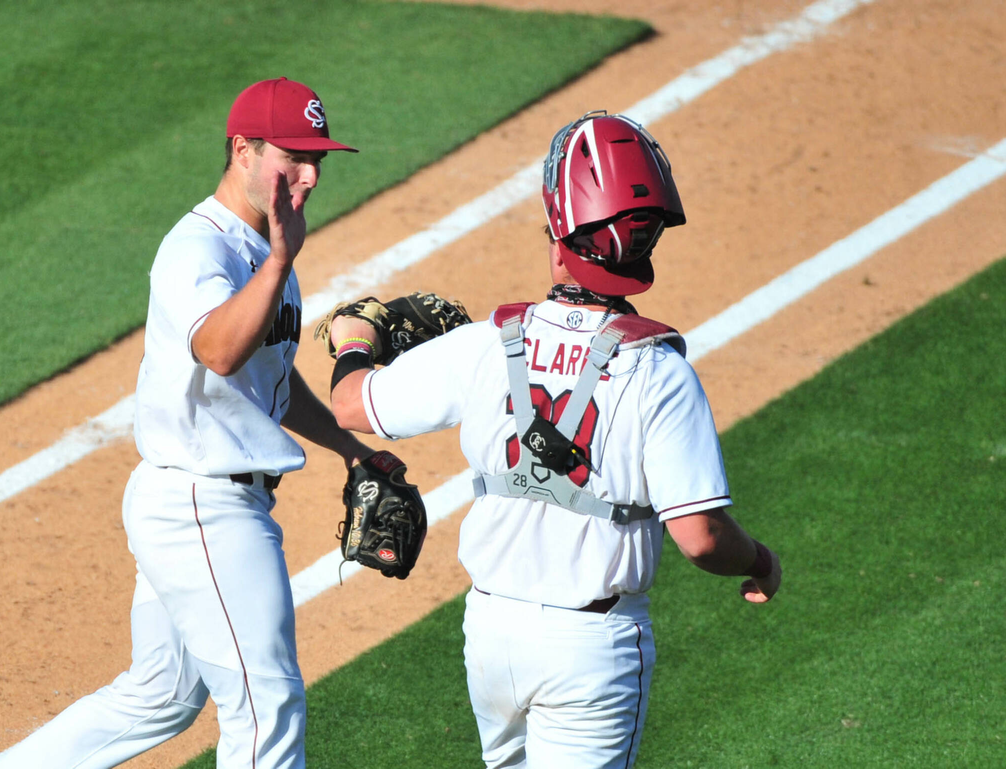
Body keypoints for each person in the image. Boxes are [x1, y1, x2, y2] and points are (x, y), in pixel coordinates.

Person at [324, 111, 782, 768]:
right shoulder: (658, 370)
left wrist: (353, 337)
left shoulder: (488, 341)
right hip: (590, 650)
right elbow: (700, 537)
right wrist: (760, 560)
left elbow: (350, 402)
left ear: (560, 231)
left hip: (490, 637)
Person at [0, 77, 373, 769]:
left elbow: (271, 383)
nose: (311, 176)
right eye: (295, 157)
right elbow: (221, 351)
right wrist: (284, 257)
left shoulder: (267, 250)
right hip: (201, 503)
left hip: (207, 498)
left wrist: (349, 447)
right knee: (267, 701)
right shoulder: (203, 249)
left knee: (162, 695)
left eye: (320, 159)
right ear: (244, 150)